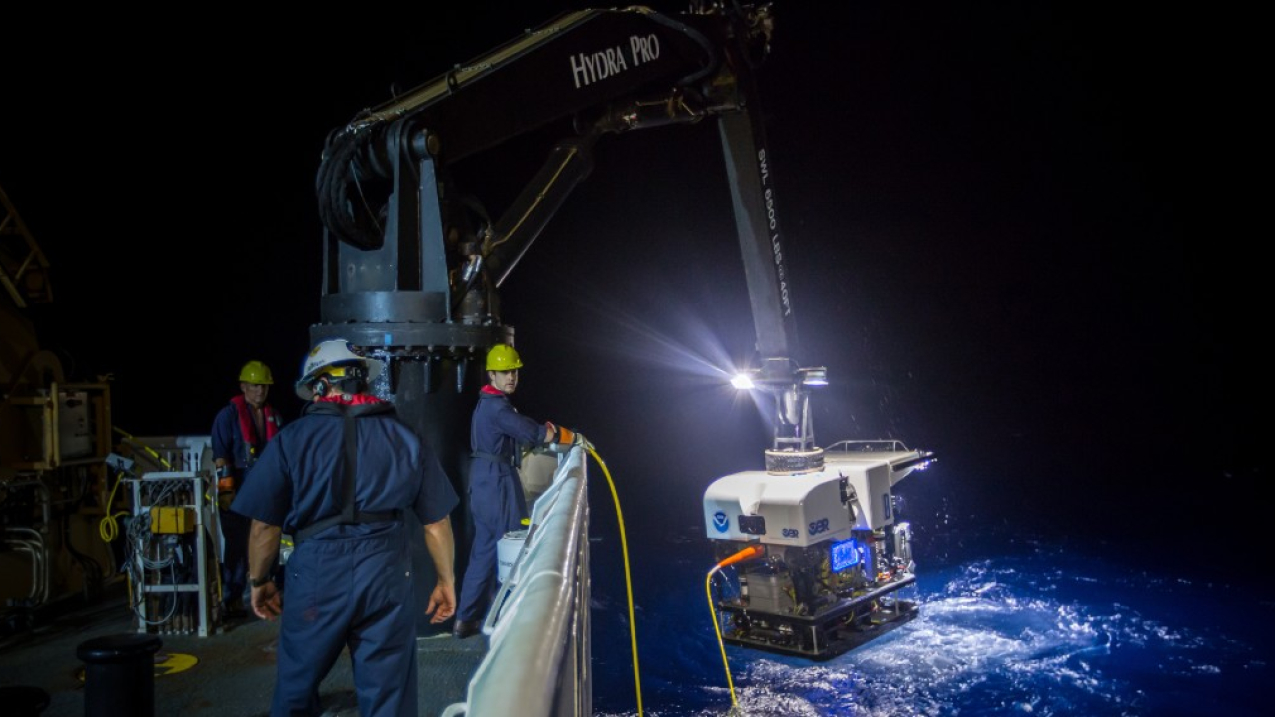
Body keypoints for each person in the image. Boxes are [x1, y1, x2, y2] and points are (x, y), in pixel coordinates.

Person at [230, 338, 458, 717]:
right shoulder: (406, 438)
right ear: (363, 383)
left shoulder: (291, 440)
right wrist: (446, 580)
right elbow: (436, 522)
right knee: (390, 698)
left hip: (316, 575)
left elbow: (263, 528)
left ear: (319, 386)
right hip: (386, 572)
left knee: (295, 689)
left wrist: (259, 582)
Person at [452, 343, 574, 639]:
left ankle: (466, 619)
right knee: (516, 545)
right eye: (505, 372)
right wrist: (566, 436)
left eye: (514, 372)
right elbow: (533, 433)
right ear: (492, 374)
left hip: (484, 479)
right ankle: (510, 618)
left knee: (483, 550)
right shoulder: (497, 408)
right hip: (497, 481)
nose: (511, 377)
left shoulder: (485, 403)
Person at [210, 359, 284, 619]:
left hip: (265, 489)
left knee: (268, 544)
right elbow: (221, 458)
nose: (260, 391)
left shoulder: (273, 415)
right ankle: (232, 600)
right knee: (237, 548)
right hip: (238, 490)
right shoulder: (227, 417)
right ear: (243, 386)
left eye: (264, 386)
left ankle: (268, 593)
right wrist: (226, 492)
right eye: (255, 386)